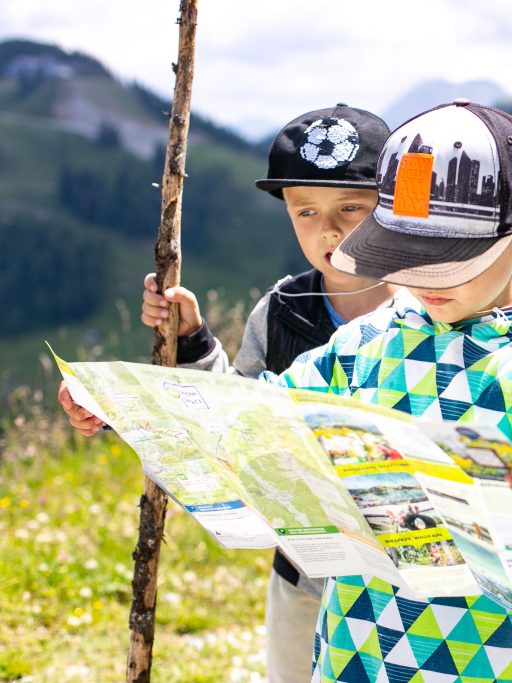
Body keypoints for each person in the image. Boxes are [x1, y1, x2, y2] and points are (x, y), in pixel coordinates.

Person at [264, 100, 512, 682]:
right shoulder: (365, 343)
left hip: (477, 659)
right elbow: (272, 407)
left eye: (451, 260)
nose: (424, 280)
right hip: (351, 651)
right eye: (407, 257)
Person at [59, 104, 411, 683]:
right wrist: (187, 342)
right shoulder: (279, 313)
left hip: (411, 579)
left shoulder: (433, 308)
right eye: (306, 211)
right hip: (305, 573)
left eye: (353, 206)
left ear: (391, 207)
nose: (330, 229)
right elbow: (232, 416)